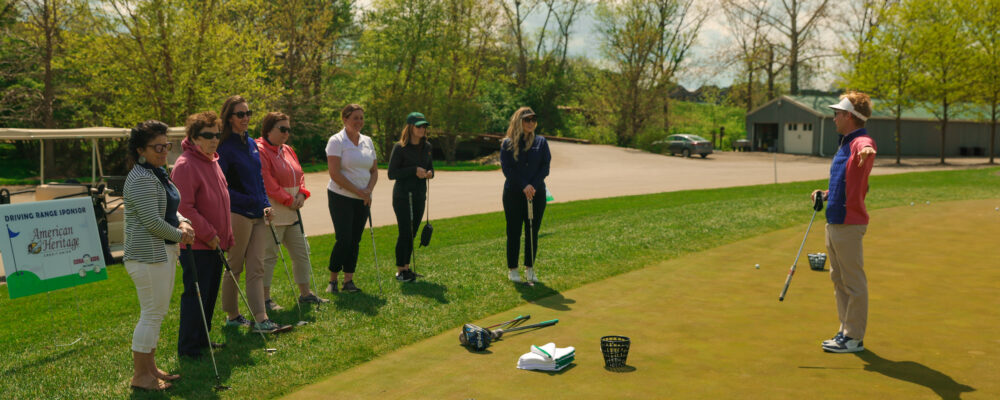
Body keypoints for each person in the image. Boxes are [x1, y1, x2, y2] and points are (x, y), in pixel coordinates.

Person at [122, 120, 195, 391]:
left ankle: (150, 368)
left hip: (160, 252)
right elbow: (152, 222)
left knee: (156, 312)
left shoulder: (156, 172)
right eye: (158, 147)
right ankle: (141, 375)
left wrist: (183, 222)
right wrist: (181, 235)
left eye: (167, 145)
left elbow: (169, 209)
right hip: (146, 256)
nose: (164, 151)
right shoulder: (142, 178)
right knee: (151, 314)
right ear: (141, 150)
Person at [216, 95, 290, 334]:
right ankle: (232, 316)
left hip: (259, 214)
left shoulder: (250, 144)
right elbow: (222, 187)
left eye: (248, 113)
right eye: (240, 114)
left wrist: (265, 203)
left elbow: (258, 179)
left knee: (257, 267)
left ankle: (261, 319)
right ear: (229, 118)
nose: (246, 118)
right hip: (238, 213)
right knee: (235, 266)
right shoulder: (224, 147)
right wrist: (248, 201)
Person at [812, 91, 877, 353]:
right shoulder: (845, 144)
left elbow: (866, 146)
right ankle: (844, 331)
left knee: (853, 282)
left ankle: (854, 338)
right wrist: (826, 194)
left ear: (849, 116)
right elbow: (845, 183)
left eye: (837, 113)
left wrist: (867, 151)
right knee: (838, 279)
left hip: (849, 223)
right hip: (835, 220)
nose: (834, 118)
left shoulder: (860, 141)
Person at [171, 111, 234, 358]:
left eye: (217, 135)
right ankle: (189, 347)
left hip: (215, 243)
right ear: (194, 137)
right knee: (196, 296)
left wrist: (226, 236)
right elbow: (184, 207)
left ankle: (203, 339)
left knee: (208, 295)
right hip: (196, 244)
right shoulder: (186, 165)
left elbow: (221, 202)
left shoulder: (213, 161)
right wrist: (208, 234)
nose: (214, 139)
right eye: (208, 135)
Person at [256, 111, 328, 306]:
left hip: (293, 211)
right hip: (273, 211)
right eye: (282, 129)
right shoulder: (259, 150)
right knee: (269, 256)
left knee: (301, 252)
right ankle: (264, 299)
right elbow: (267, 182)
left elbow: (300, 174)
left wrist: (302, 193)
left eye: (289, 129)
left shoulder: (287, 149)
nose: (287, 133)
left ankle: (306, 294)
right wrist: (289, 200)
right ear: (268, 129)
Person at [325, 104, 378, 293]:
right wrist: (358, 191)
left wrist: (368, 191)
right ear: (345, 119)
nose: (359, 122)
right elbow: (334, 173)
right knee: (344, 238)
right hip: (341, 196)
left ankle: (349, 280)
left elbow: (374, 171)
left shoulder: (367, 141)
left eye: (361, 118)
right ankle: (333, 280)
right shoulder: (336, 141)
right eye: (355, 118)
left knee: (355, 239)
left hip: (363, 198)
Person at [500, 107, 551, 283]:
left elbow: (545, 167)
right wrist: (524, 185)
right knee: (513, 231)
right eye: (527, 119)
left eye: (533, 119)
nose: (531, 123)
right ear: (518, 121)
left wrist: (532, 185)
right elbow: (507, 169)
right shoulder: (507, 143)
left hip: (536, 193)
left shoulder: (541, 142)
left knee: (532, 231)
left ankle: (530, 269)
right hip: (514, 193)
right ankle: (513, 269)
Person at [387, 112, 434, 282]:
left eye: (424, 126)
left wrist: (429, 173)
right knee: (405, 232)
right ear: (410, 127)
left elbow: (431, 168)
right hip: (403, 196)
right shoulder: (400, 147)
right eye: (419, 126)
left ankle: (407, 267)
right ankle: (401, 270)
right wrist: (413, 170)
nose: (422, 129)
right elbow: (392, 173)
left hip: (419, 195)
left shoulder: (427, 147)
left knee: (412, 233)